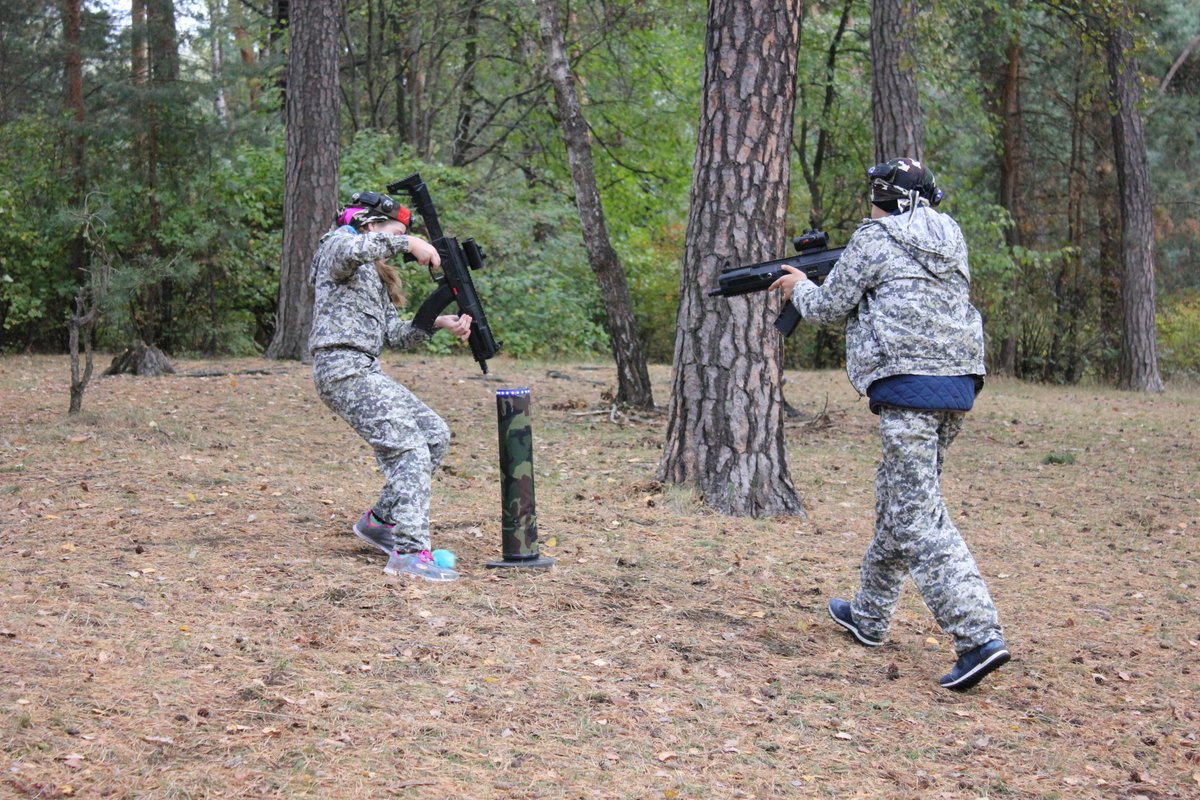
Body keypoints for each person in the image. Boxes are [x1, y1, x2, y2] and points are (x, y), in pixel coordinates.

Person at [770, 157, 1010, 691]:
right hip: (958, 384)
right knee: (901, 498)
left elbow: (828, 308)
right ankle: (870, 614)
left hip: (908, 386)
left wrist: (798, 286)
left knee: (917, 515)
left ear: (882, 198)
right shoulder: (949, 234)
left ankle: (978, 636)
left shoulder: (874, 238)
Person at [309, 194, 471, 582]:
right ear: (370, 225)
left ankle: (380, 522)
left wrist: (437, 322)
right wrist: (409, 242)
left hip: (366, 368)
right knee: (409, 449)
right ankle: (409, 554)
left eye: (402, 237)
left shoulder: (373, 275)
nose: (400, 244)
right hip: (341, 368)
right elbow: (352, 250)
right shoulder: (337, 244)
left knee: (433, 434)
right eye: (395, 234)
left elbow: (394, 335)